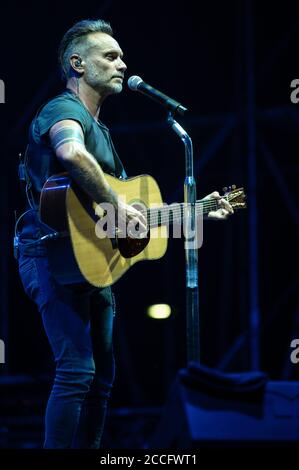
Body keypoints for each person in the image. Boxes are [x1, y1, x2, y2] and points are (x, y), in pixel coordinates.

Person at [16, 19, 233, 449]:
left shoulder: (106, 136)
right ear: (78, 64)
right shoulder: (64, 111)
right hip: (50, 255)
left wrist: (196, 211)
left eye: (122, 56)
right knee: (77, 370)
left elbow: (128, 222)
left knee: (101, 381)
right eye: (110, 57)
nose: (123, 64)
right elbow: (71, 153)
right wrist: (117, 205)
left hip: (91, 264)